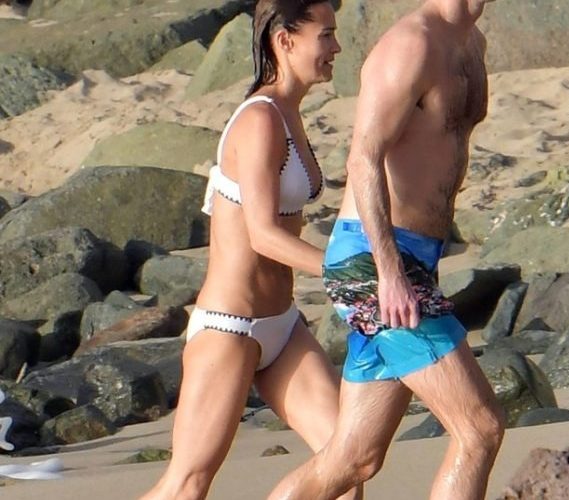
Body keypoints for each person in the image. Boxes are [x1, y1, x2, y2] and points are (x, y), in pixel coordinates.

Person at [268, 1, 506, 499]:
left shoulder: (471, 42)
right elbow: (363, 158)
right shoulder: (410, 46)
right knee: (479, 427)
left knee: (354, 459)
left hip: (414, 257)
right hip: (374, 260)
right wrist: (390, 272)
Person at [140, 2, 361, 499]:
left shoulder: (289, 113)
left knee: (346, 466)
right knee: (186, 485)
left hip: (282, 326)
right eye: (325, 35)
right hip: (230, 328)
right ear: (285, 40)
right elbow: (262, 234)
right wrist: (347, 272)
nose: (336, 47)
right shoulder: (260, 119)